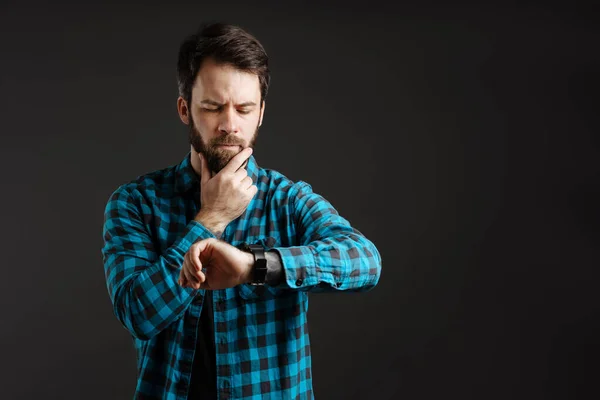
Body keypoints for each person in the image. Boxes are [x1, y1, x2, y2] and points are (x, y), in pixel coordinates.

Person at [101, 22, 382, 400]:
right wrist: (210, 219)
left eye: (244, 109)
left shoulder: (286, 199)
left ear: (261, 113)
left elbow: (365, 260)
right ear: (185, 109)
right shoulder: (136, 203)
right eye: (213, 107)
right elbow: (137, 313)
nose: (230, 125)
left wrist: (255, 266)